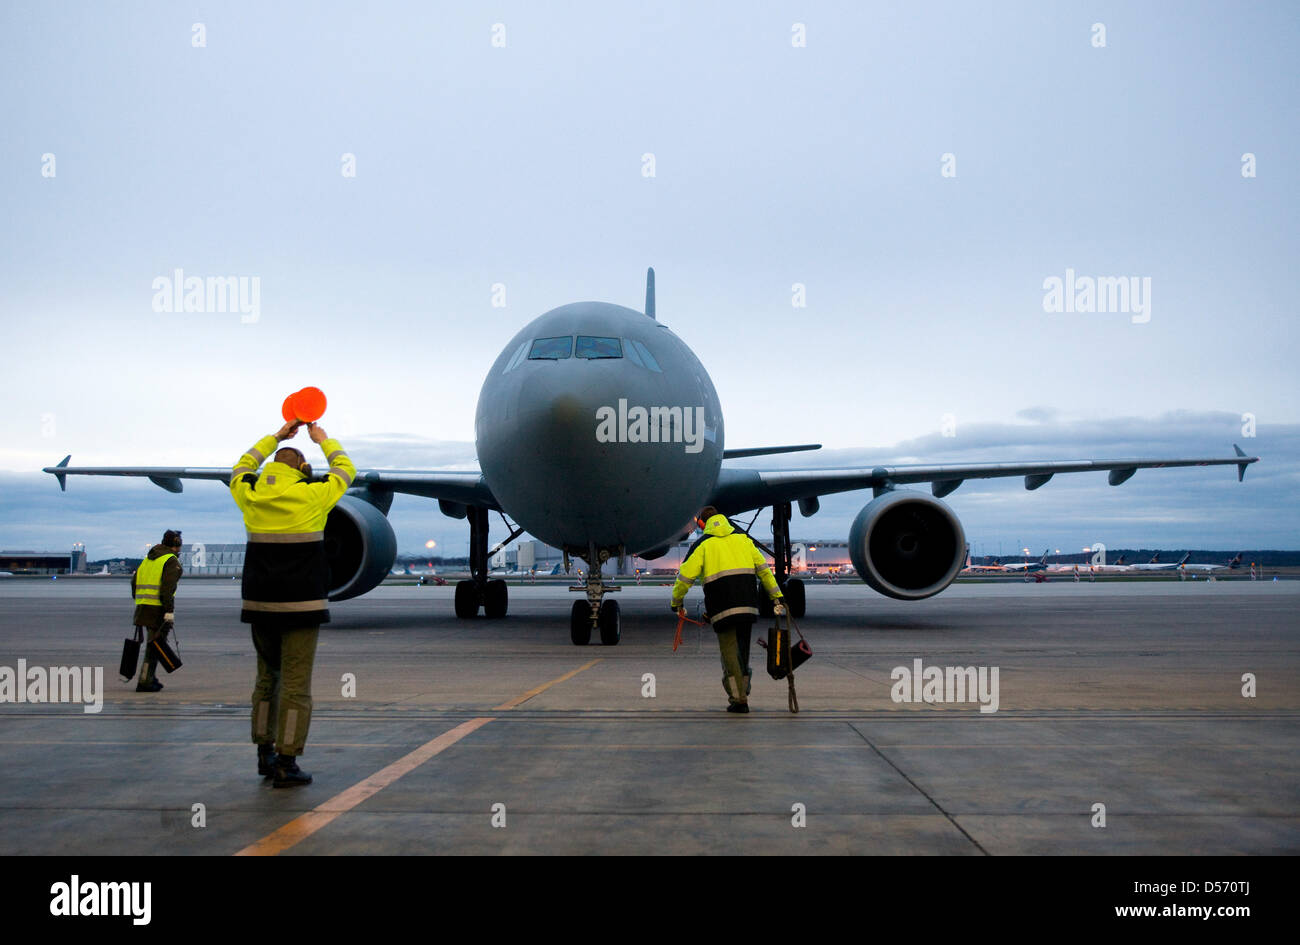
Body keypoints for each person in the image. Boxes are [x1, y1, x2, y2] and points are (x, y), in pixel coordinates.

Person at [230, 419, 355, 787]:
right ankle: (287, 761)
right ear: (302, 467)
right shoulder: (314, 495)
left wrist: (276, 436)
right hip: (301, 607)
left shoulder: (250, 493)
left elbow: (241, 466)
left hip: (260, 606)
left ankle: (263, 753)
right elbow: (346, 469)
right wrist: (322, 439)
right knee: (296, 687)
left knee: (266, 679)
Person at [670, 507, 785, 713]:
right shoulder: (743, 540)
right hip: (748, 606)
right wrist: (777, 597)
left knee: (730, 654)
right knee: (743, 652)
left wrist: (676, 602)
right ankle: (743, 690)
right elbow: (765, 572)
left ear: (702, 524)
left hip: (722, 609)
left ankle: (738, 699)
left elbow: (684, 578)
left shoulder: (703, 545)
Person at [130, 529, 184, 692]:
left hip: (143, 607)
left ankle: (149, 677)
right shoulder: (171, 561)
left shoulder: (148, 559)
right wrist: (169, 611)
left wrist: (140, 600)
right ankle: (145, 680)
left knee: (153, 644)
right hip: (158, 610)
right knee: (155, 646)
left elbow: (134, 583)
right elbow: (167, 590)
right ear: (176, 544)